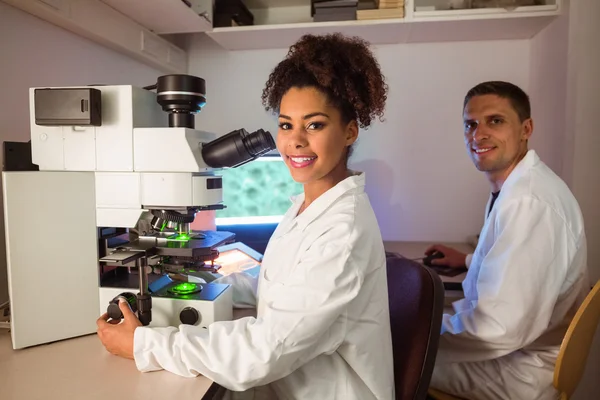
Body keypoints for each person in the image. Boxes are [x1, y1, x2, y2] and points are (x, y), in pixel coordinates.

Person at [96, 33, 395, 400]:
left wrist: (145, 345)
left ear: (349, 131)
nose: (295, 141)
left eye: (314, 125)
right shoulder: (310, 205)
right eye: (286, 125)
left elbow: (265, 351)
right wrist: (203, 275)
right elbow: (282, 290)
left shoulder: (342, 232)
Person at [425, 81, 589, 400]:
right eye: (470, 124)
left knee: (383, 354)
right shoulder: (518, 186)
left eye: (495, 121)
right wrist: (470, 261)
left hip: (518, 369)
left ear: (526, 128)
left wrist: (420, 332)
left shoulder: (530, 202)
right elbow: (523, 268)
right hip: (518, 349)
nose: (479, 134)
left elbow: (500, 328)